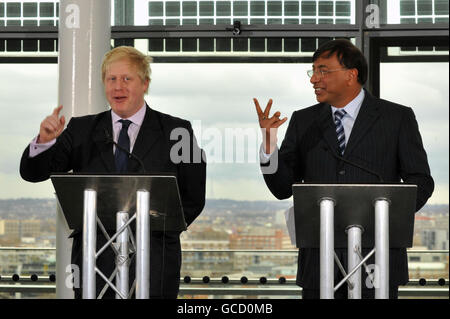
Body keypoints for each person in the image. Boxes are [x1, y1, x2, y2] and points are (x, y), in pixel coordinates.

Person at [20, 46, 206, 299]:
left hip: (154, 258)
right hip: (95, 261)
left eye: (127, 79)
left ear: (145, 83)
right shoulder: (81, 129)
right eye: (112, 79)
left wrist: (159, 227)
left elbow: (193, 196)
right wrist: (44, 140)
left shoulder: (178, 131)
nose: (118, 87)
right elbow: (33, 173)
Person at [254, 39, 434, 299]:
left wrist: (386, 216)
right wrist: (269, 145)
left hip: (378, 254)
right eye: (313, 71)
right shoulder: (303, 120)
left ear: (352, 74)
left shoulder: (397, 118)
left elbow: (421, 181)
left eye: (323, 71)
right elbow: (282, 188)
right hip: (319, 261)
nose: (314, 79)